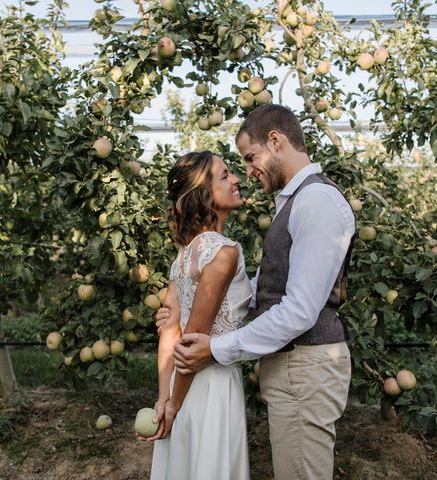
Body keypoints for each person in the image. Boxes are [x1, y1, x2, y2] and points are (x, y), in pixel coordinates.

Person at [157, 104, 355, 479]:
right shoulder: (292, 206)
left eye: (250, 158)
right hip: (288, 367)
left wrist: (216, 348)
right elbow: (264, 296)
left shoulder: (315, 201)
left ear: (276, 141)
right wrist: (180, 310)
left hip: (306, 362)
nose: (247, 172)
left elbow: (298, 311)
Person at [143, 151, 252, 480]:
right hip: (212, 388)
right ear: (204, 195)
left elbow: (170, 333)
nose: (236, 180)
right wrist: (172, 405)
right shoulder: (223, 252)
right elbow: (191, 342)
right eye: (225, 175)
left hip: (181, 385)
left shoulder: (183, 256)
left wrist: (165, 398)